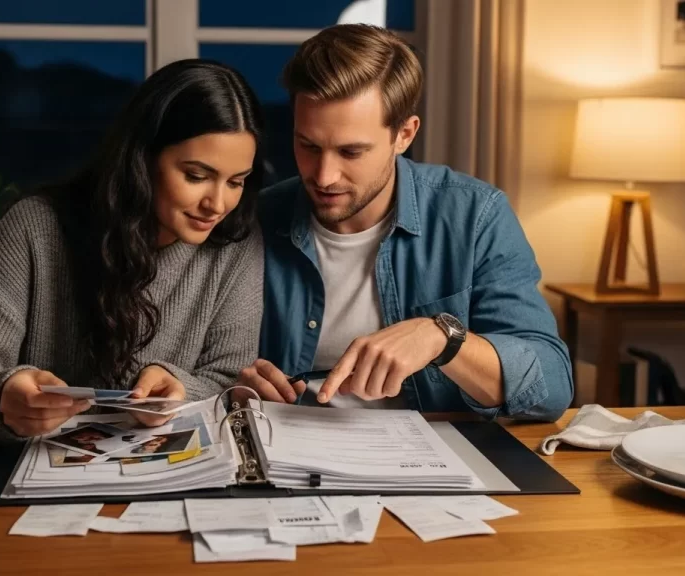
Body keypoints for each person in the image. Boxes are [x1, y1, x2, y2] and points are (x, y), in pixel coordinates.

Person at [0, 59, 267, 443]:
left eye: (236, 181)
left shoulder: (234, 243)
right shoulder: (36, 229)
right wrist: (1, 397)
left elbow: (231, 384)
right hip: (27, 484)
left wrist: (181, 389)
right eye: (196, 176)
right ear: (143, 159)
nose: (217, 204)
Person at [238, 24, 573, 420]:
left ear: (404, 135)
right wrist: (232, 384)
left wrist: (442, 339)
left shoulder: (475, 215)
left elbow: (551, 387)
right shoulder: (255, 218)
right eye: (308, 146)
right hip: (287, 454)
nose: (324, 175)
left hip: (434, 463)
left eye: (351, 151)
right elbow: (203, 365)